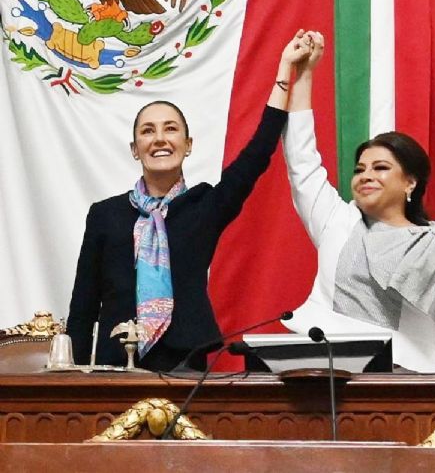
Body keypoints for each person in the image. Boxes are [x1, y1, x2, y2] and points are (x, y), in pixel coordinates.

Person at [66, 31, 315, 371]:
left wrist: (285, 69)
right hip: (115, 364)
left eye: (170, 129)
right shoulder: (105, 215)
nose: (159, 139)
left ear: (188, 144)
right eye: (147, 131)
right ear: (134, 149)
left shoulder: (204, 207)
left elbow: (257, 154)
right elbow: (83, 306)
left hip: (185, 362)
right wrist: (75, 379)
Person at [280, 32, 435, 373]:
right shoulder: (338, 222)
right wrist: (303, 76)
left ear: (410, 182)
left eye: (381, 168)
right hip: (327, 373)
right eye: (359, 169)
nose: (365, 176)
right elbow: (302, 162)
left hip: (408, 382)